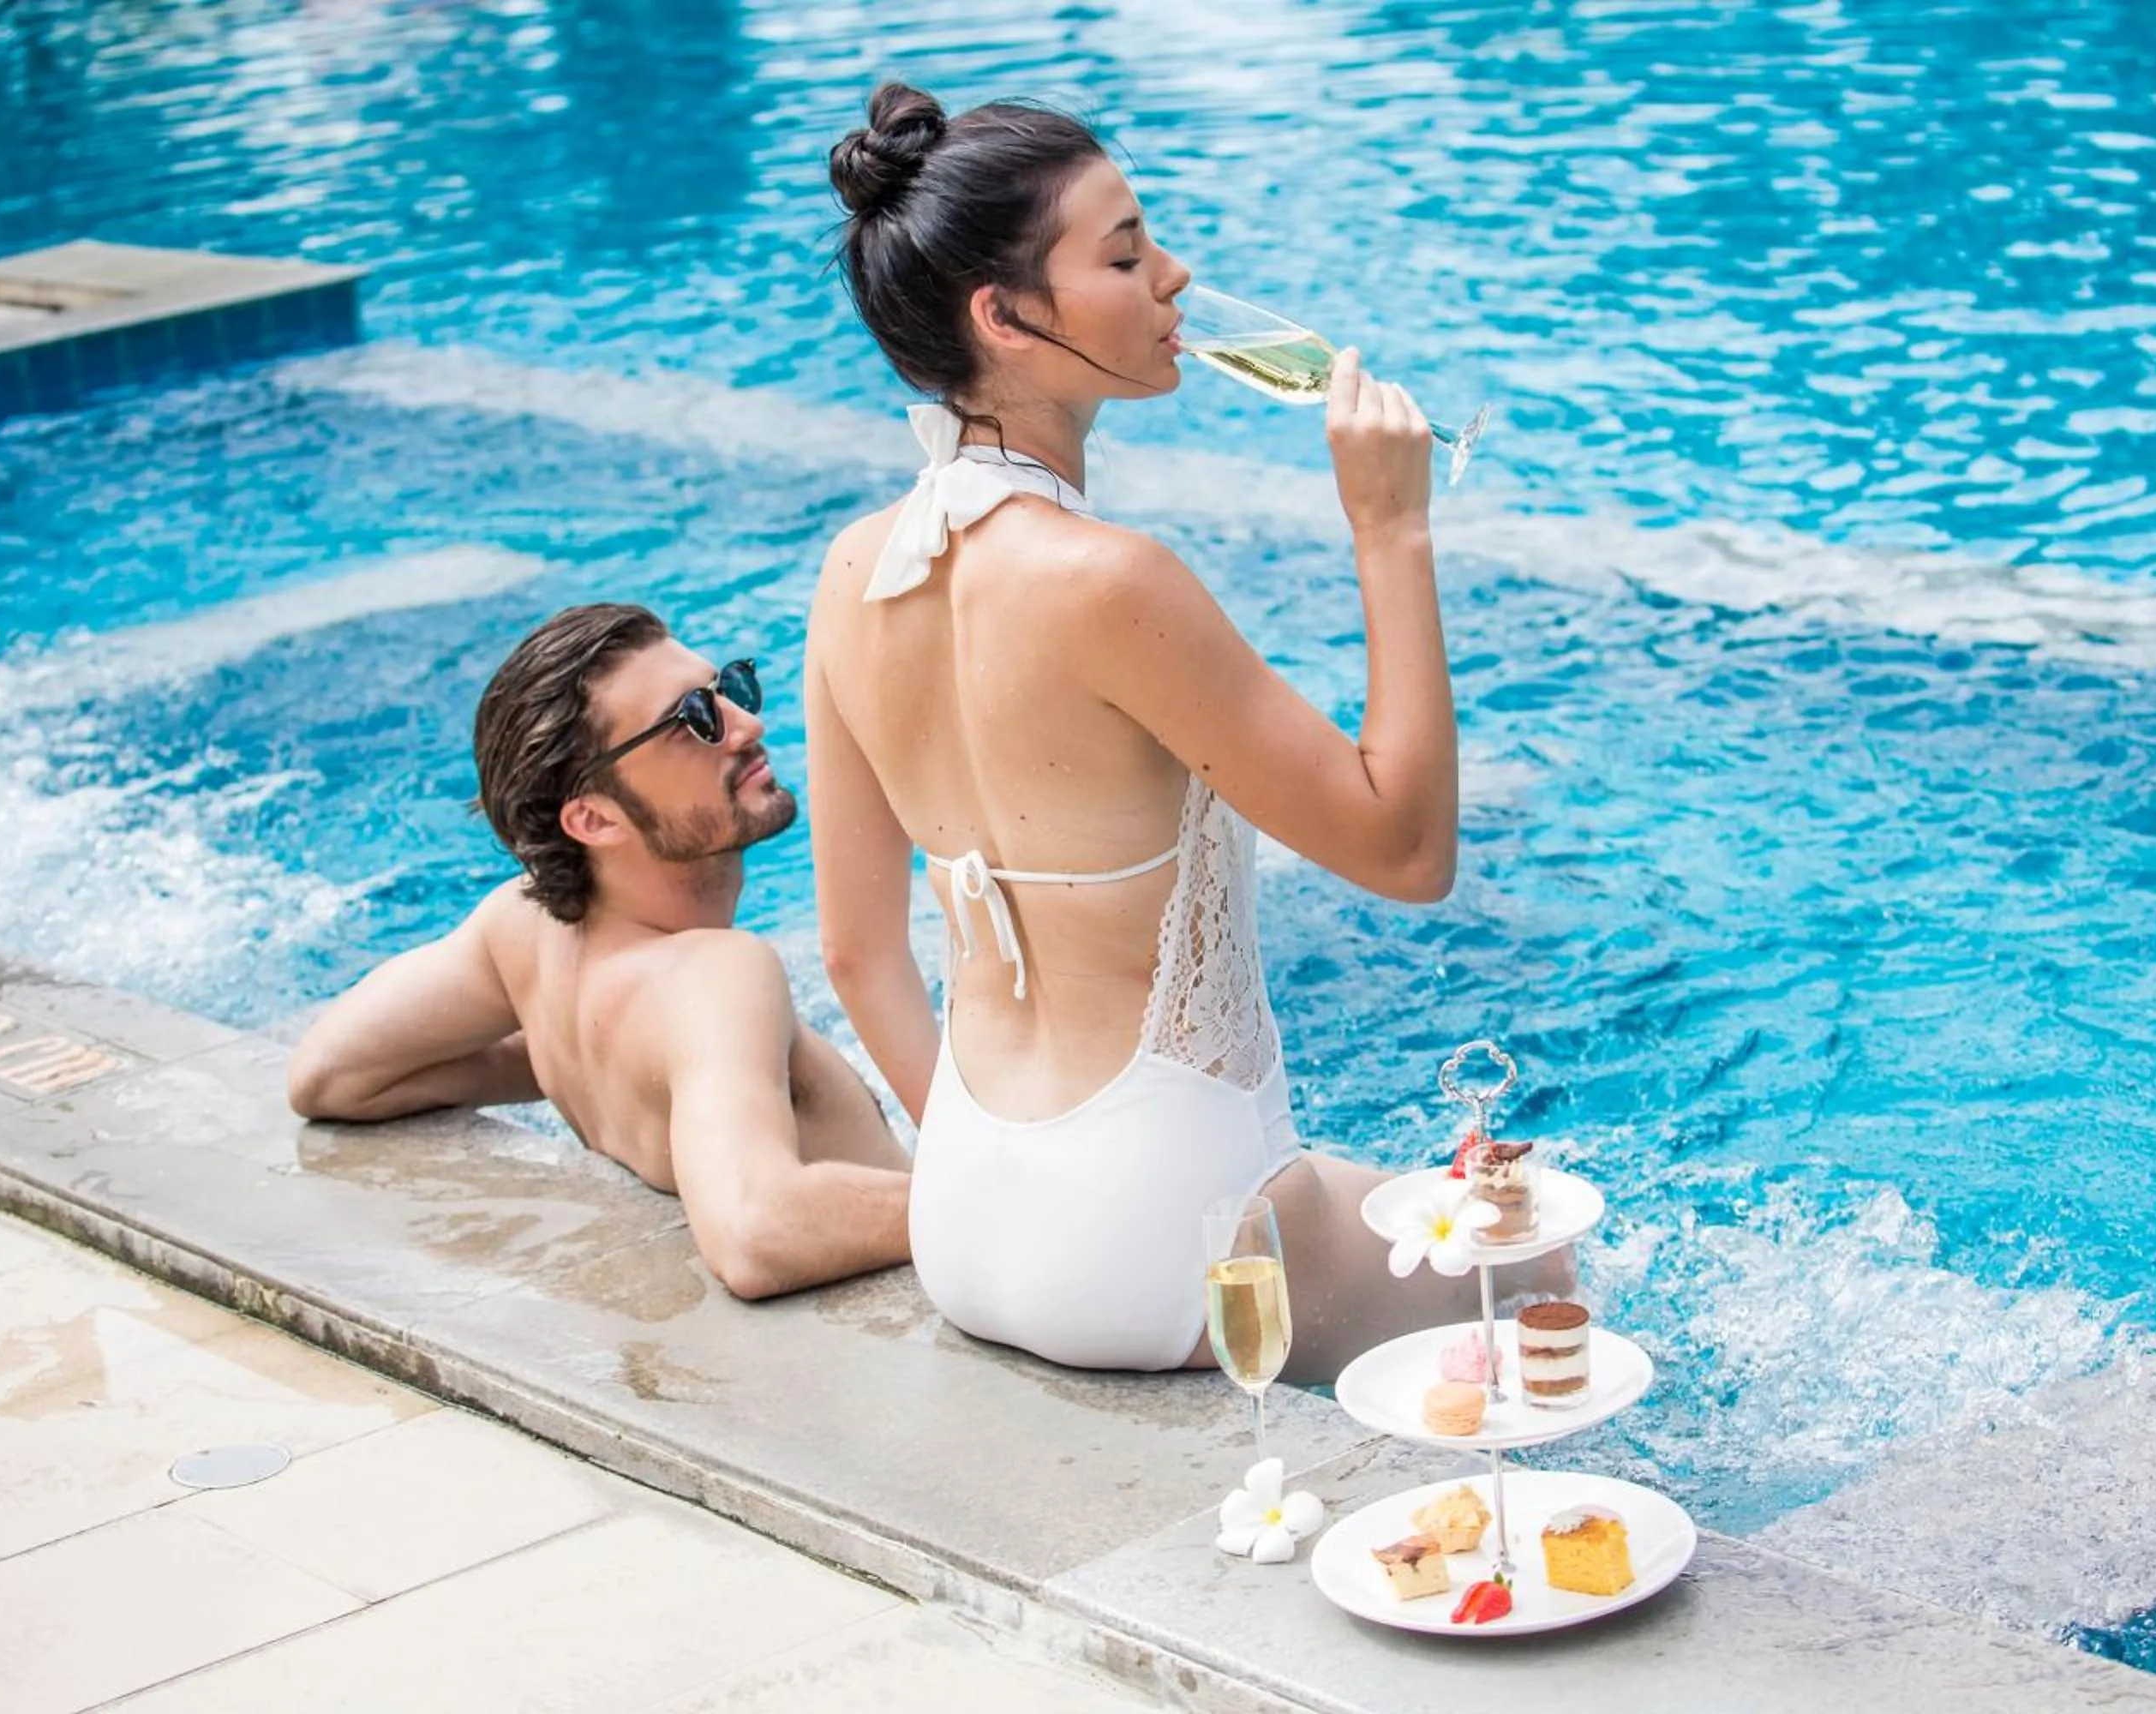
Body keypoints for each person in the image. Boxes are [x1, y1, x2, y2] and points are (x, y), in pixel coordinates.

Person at [806, 82, 1476, 1380]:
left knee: (1398, 1200)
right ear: (1002, 317)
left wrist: (996, 1166)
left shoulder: (847, 575)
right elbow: (1408, 853)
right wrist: (1390, 529)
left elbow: (853, 955)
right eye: (1121, 254)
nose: (1172, 278)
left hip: (964, 1216)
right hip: (1164, 1248)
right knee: (1546, 1270)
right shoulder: (1108, 583)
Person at [287, 603, 912, 1302]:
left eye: (728, 690)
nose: (746, 725)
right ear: (593, 818)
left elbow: (330, 1075)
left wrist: (568, 1062)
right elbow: (756, 1231)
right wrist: (1005, 1215)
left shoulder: (525, 938)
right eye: (693, 721)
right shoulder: (715, 973)